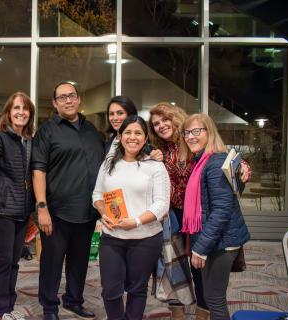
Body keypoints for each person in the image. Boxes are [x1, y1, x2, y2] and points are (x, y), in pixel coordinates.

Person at [148, 102, 251, 319]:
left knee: (203, 275)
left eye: (166, 119)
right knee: (174, 270)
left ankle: (203, 315)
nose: (161, 126)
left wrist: (242, 166)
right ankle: (179, 314)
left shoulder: (199, 149)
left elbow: (224, 163)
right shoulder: (160, 150)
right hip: (175, 218)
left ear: (177, 118)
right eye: (156, 123)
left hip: (201, 219)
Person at [31, 81, 105, 320]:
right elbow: (38, 170)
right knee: (51, 264)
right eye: (62, 98)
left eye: (71, 96)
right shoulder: (47, 131)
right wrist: (41, 207)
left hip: (86, 211)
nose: (68, 100)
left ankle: (74, 300)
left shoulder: (91, 129)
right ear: (55, 103)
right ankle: (49, 308)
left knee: (79, 262)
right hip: (56, 211)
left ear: (78, 99)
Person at [92, 115, 170, 320]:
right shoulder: (109, 163)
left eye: (138, 133)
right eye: (128, 132)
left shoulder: (155, 165)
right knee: (110, 290)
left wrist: (135, 222)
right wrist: (103, 213)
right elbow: (97, 194)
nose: (132, 137)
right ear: (120, 136)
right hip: (112, 237)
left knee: (137, 289)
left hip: (145, 238)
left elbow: (162, 205)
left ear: (145, 138)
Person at [181, 113, 250, 320]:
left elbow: (221, 211)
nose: (190, 137)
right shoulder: (201, 161)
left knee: (214, 299)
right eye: (186, 132)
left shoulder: (214, 163)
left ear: (209, 133)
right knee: (213, 297)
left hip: (222, 241)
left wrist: (200, 249)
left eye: (196, 131)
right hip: (215, 240)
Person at [0, 92, 36, 320]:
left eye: (25, 109)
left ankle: (9, 306)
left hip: (22, 210)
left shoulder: (29, 140)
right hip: (3, 209)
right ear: (8, 112)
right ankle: (0, 310)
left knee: (14, 262)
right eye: (16, 108)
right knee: (2, 261)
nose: (21, 112)